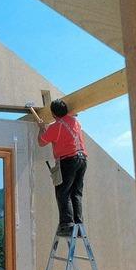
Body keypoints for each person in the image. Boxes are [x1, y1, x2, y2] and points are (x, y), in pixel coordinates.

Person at [37, 99, 88, 237]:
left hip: (68, 160)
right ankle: (78, 225)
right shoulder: (75, 122)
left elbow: (41, 142)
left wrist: (41, 128)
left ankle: (68, 225)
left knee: (63, 192)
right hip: (82, 159)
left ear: (53, 114)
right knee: (76, 193)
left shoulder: (56, 126)